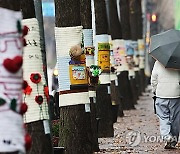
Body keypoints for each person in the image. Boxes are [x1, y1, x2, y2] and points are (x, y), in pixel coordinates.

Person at [151, 60, 180, 149]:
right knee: (175, 118)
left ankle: (166, 136)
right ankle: (173, 141)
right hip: (175, 94)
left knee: (163, 117)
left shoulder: (158, 62)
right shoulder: (178, 63)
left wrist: (154, 89)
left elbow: (154, 78)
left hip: (161, 94)